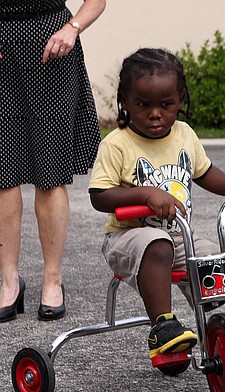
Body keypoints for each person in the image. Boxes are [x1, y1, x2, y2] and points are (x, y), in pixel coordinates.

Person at [88, 48, 225, 371]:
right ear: (125, 102)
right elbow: (99, 195)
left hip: (179, 238)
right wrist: (145, 194)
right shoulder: (117, 144)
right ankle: (163, 328)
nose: (155, 114)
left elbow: (204, 172)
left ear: (180, 100)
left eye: (166, 104)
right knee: (155, 243)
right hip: (127, 238)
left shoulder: (184, 134)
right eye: (143, 105)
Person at [0, 0, 106, 323]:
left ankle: (52, 279)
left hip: (53, 45)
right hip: (3, 45)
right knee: (3, 171)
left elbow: (97, 1)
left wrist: (72, 28)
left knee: (51, 171)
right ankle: (8, 281)